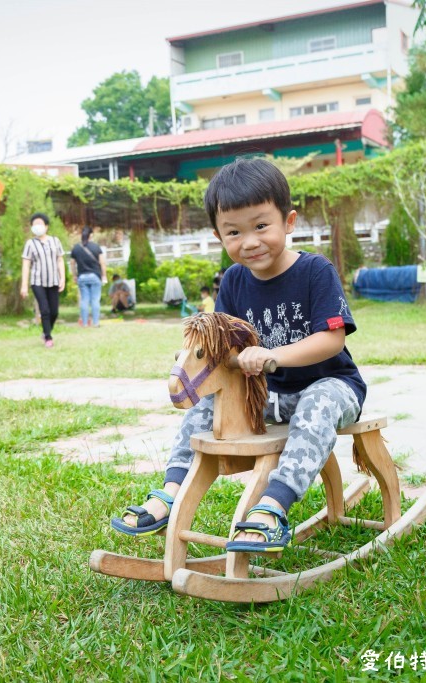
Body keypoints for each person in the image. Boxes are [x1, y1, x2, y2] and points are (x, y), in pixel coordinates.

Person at [110, 157, 366, 553]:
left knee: (319, 401)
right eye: (234, 232)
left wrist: (271, 356)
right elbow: (222, 345)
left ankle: (273, 505)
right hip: (262, 397)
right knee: (204, 409)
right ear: (219, 235)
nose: (249, 241)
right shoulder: (233, 281)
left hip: (330, 386)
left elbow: (330, 341)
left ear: (289, 221)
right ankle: (171, 489)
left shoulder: (315, 271)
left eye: (261, 226)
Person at [20, 212, 65, 348]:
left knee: (54, 311)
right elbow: (26, 264)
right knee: (44, 310)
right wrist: (24, 285)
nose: (37, 227)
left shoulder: (55, 241)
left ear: (46, 226)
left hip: (53, 280)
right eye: (34, 224)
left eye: (40, 224)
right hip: (37, 281)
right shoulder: (30, 244)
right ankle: (48, 337)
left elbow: (60, 260)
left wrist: (62, 278)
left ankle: (46, 331)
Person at [70, 226, 106, 327]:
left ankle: (85, 323)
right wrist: (104, 276)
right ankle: (96, 323)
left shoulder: (76, 248)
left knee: (84, 300)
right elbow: (102, 263)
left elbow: (72, 263)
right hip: (95, 276)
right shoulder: (96, 247)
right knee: (95, 300)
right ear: (91, 235)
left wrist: (74, 275)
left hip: (82, 277)